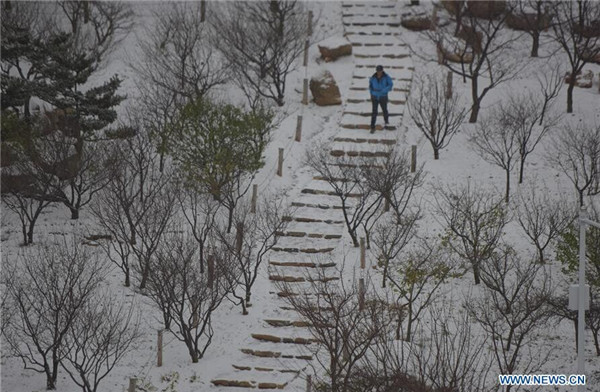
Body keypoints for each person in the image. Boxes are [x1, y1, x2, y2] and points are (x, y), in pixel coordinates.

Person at [369, 65, 393, 133]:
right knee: (374, 112)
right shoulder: (373, 77)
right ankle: (372, 127)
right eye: (377, 71)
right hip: (375, 97)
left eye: (380, 71)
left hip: (383, 96)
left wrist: (384, 90)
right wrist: (372, 93)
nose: (379, 72)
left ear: (382, 70)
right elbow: (370, 86)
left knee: (384, 110)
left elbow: (390, 85)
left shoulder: (386, 77)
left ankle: (386, 121)